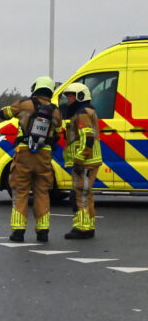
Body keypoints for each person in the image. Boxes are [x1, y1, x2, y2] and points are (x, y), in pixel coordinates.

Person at [0, 76, 63, 242]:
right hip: (44, 154)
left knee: (21, 191)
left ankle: (18, 231)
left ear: (35, 88)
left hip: (25, 152)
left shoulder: (24, 104)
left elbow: (4, 114)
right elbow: (59, 128)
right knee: (42, 192)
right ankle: (43, 232)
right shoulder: (55, 111)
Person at [62, 82, 101, 239]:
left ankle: (82, 228)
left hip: (85, 161)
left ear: (80, 96)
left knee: (80, 193)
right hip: (90, 160)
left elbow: (87, 138)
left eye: (71, 95)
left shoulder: (82, 113)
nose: (68, 99)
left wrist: (78, 160)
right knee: (86, 193)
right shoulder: (86, 111)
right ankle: (88, 226)